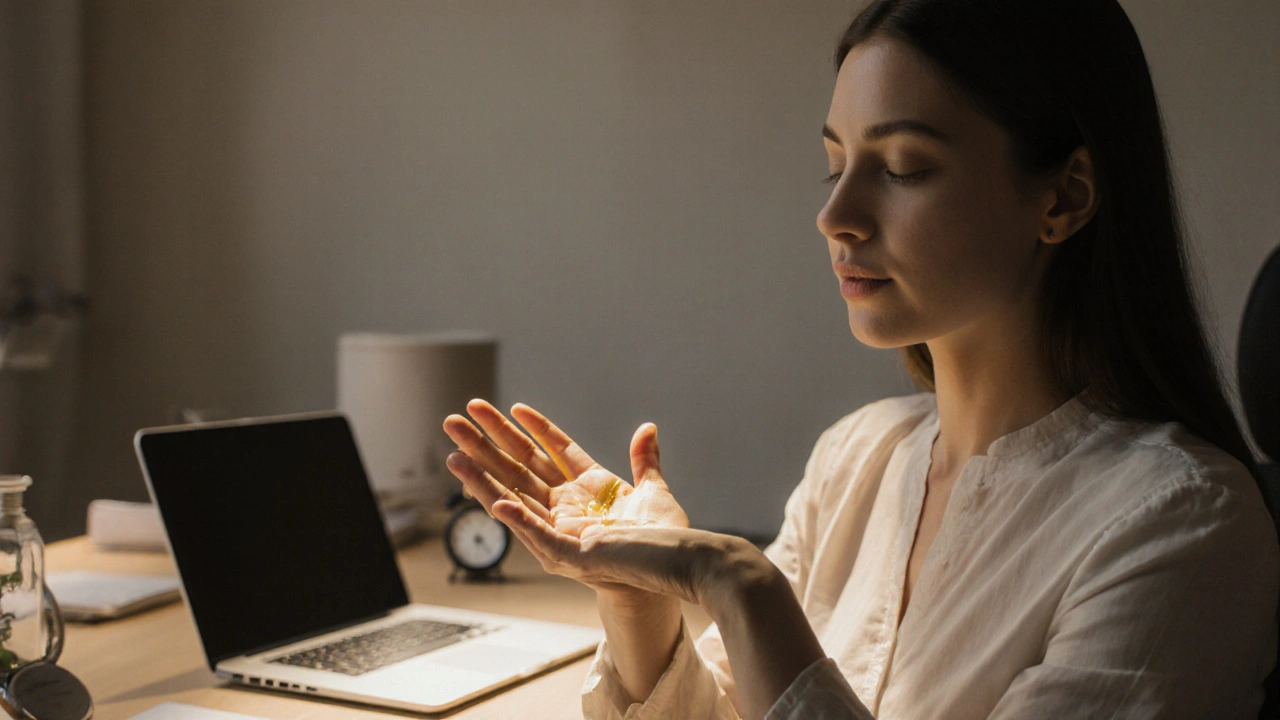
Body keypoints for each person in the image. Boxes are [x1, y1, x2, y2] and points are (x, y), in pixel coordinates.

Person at [442, 0, 1280, 717]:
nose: (836, 214)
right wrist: (638, 603)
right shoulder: (857, 457)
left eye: (904, 167)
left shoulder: (1182, 525)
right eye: (835, 164)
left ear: (1063, 196)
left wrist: (741, 586)